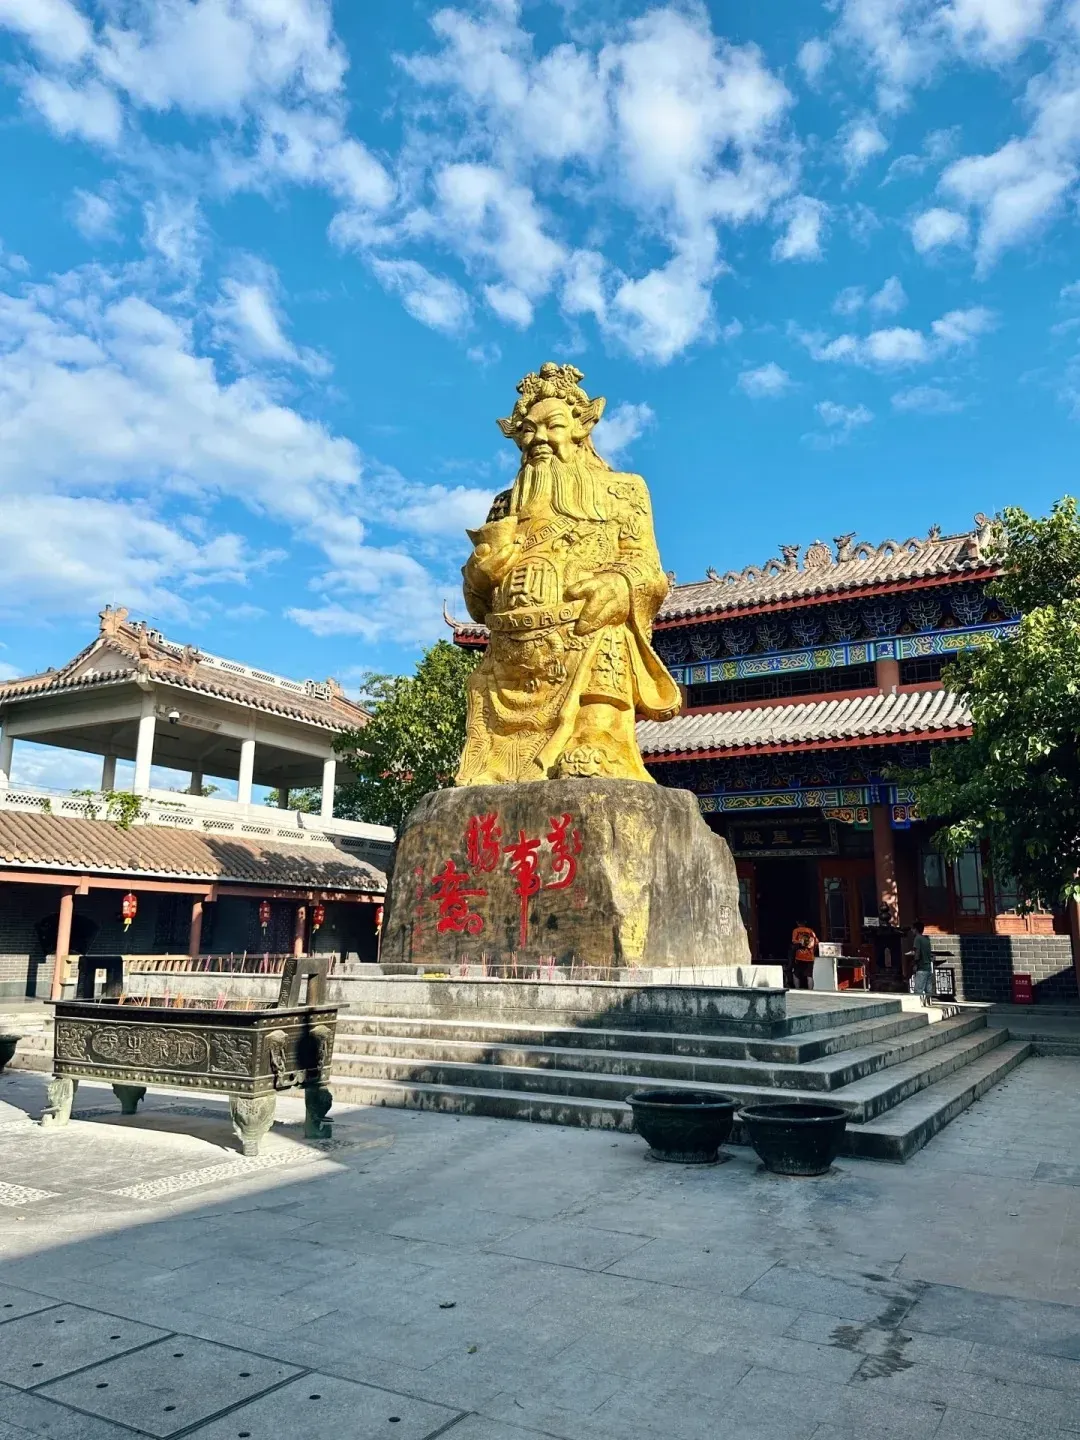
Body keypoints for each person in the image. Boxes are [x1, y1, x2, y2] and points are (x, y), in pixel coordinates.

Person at [909, 920, 935, 1005]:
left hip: (921, 966)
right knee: (928, 989)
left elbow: (917, 952)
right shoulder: (926, 939)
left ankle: (918, 1005)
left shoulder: (917, 939)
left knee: (918, 989)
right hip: (928, 967)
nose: (912, 931)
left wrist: (915, 963)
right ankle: (928, 1003)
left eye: (913, 929)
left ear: (916, 929)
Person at [790, 920, 818, 990]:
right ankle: (811, 991)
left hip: (799, 957)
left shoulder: (796, 931)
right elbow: (816, 942)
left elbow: (794, 941)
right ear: (805, 923)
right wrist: (812, 951)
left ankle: (797, 990)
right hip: (810, 957)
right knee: (809, 975)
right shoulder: (811, 931)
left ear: (797, 923)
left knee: (796, 973)